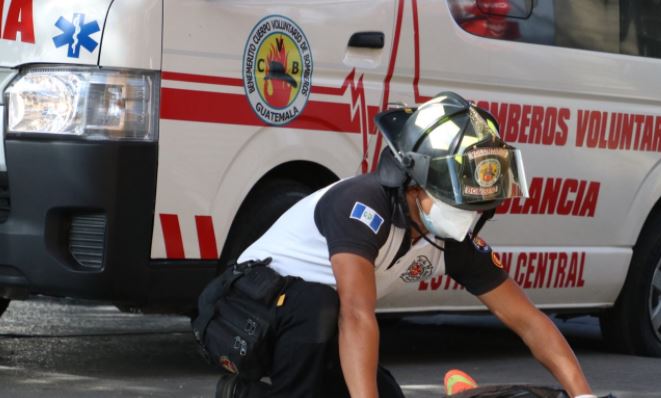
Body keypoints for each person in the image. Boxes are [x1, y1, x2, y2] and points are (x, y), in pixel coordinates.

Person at [209, 92, 596, 397]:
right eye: (459, 202)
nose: (469, 216)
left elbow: (528, 321)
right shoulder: (360, 206)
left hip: (315, 331)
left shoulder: (449, 234)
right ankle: (242, 393)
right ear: (415, 181)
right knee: (319, 305)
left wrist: (583, 396)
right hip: (247, 317)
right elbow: (356, 315)